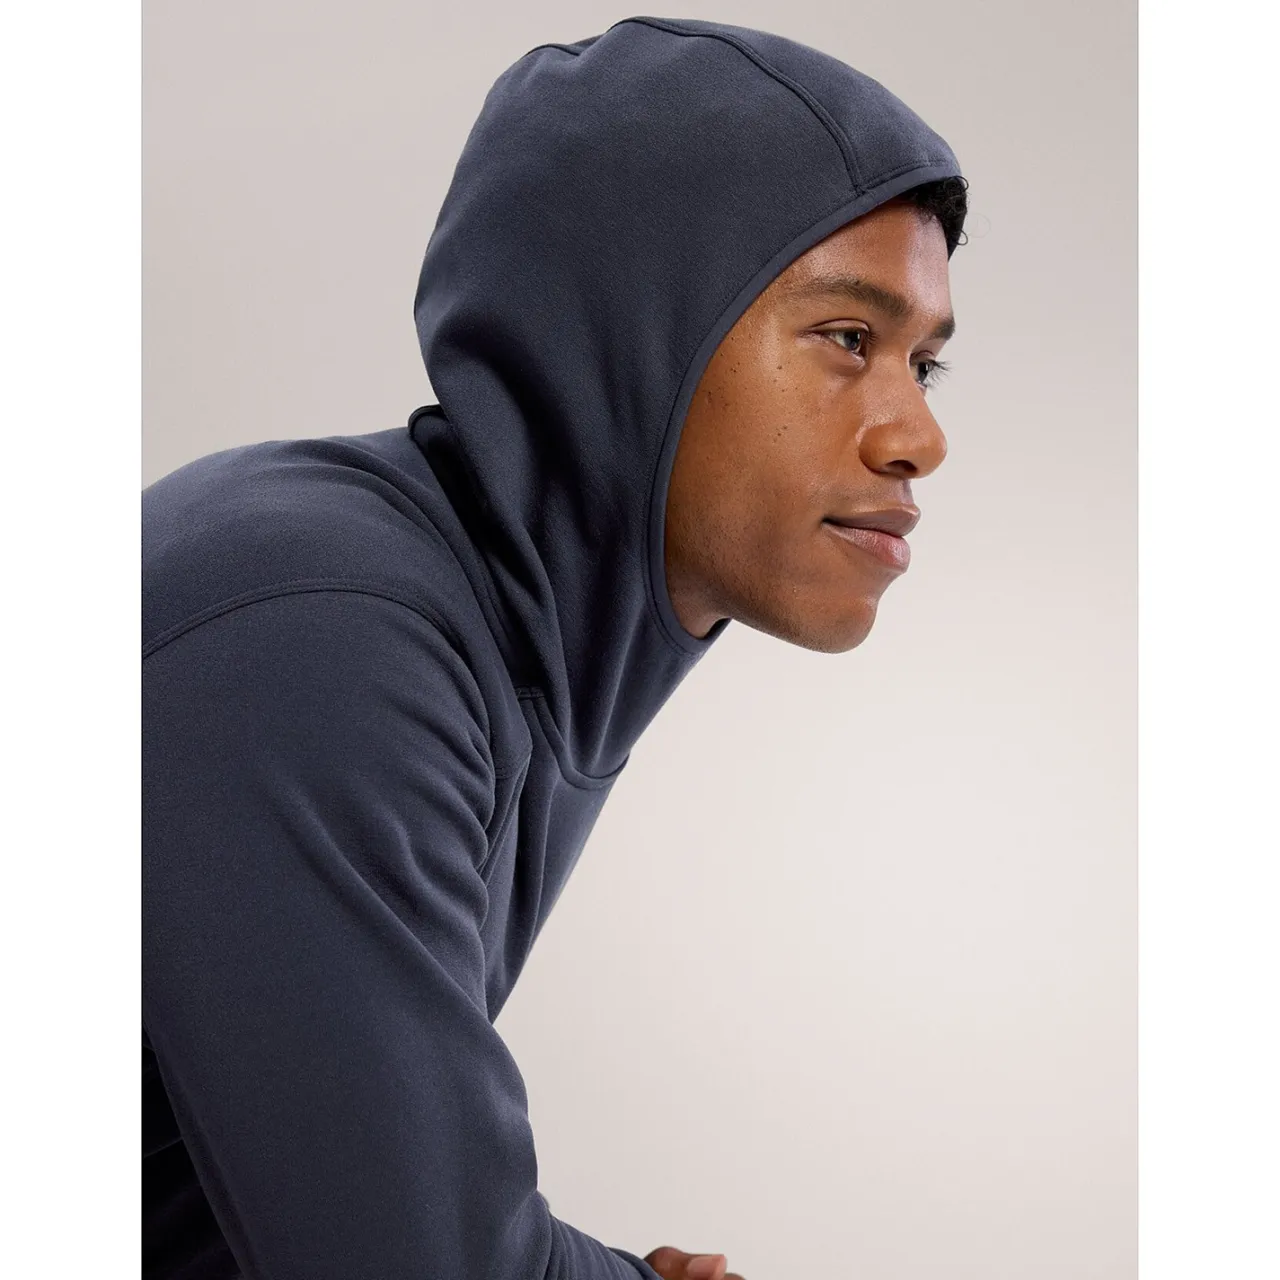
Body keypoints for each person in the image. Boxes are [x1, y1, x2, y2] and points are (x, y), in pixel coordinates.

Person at [142, 15, 967, 1280]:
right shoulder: (319, 633)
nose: (917, 436)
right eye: (848, 340)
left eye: (924, 363)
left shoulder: (503, 646)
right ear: (627, 331)